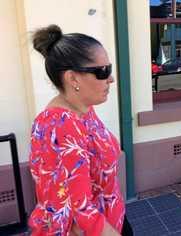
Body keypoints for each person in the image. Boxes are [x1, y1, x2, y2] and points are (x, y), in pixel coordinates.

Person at [28, 25, 133, 236]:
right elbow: (80, 211)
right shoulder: (60, 127)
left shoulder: (83, 109)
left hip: (113, 217)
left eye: (109, 69)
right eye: (102, 71)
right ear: (72, 78)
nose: (110, 78)